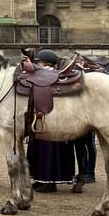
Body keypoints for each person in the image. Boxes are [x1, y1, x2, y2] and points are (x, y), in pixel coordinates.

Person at [25, 50, 77, 193]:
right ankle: (40, 178)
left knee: (49, 150)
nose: (37, 63)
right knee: (40, 149)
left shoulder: (49, 77)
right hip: (43, 120)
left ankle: (49, 181)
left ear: (44, 63)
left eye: (39, 61)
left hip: (51, 120)